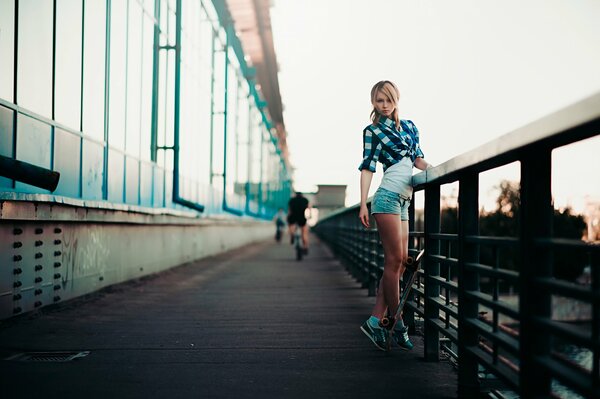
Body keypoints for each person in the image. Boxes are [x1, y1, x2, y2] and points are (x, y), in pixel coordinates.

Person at [358, 80, 432, 351]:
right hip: (387, 197)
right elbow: (367, 168)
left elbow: (418, 161)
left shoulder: (411, 127)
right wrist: (363, 204)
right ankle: (397, 323)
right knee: (395, 260)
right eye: (379, 101)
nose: (384, 105)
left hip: (404, 200)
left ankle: (376, 320)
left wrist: (438, 172)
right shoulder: (373, 131)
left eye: (388, 99)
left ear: (396, 98)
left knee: (399, 264)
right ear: (374, 103)